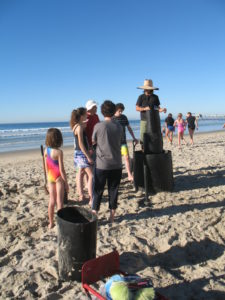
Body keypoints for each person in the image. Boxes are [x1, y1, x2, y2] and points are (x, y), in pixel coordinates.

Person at [92, 100, 123, 223]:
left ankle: (94, 213)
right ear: (113, 111)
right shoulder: (119, 126)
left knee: (98, 189)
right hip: (116, 163)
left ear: (102, 111)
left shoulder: (99, 126)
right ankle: (112, 216)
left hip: (102, 164)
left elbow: (93, 141)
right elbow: (120, 141)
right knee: (113, 189)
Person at [44, 128, 69, 229]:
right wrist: (66, 183)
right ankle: (60, 223)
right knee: (59, 202)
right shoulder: (59, 152)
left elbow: (46, 167)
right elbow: (62, 170)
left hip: (50, 177)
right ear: (59, 139)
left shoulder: (46, 150)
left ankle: (51, 223)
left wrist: (47, 179)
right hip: (58, 178)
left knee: (51, 201)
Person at [70, 108, 93, 205]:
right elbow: (80, 143)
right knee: (91, 175)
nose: (87, 115)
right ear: (82, 116)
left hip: (77, 153)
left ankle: (81, 195)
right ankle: (91, 198)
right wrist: (88, 156)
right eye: (85, 114)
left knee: (80, 173)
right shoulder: (78, 127)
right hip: (81, 153)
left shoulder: (76, 126)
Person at [136, 79, 167, 144]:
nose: (146, 90)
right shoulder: (141, 97)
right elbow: (137, 108)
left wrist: (162, 110)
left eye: (148, 89)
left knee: (153, 137)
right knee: (143, 136)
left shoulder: (155, 97)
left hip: (154, 120)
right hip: (144, 119)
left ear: (151, 89)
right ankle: (143, 150)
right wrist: (144, 109)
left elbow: (157, 108)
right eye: (146, 89)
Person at [113, 103, 138, 181]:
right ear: (115, 110)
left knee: (126, 158)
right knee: (117, 160)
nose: (120, 113)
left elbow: (129, 128)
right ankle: (117, 175)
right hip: (114, 143)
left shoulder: (124, 117)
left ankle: (129, 175)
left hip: (123, 142)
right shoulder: (111, 118)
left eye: (122, 111)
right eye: (119, 111)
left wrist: (134, 137)